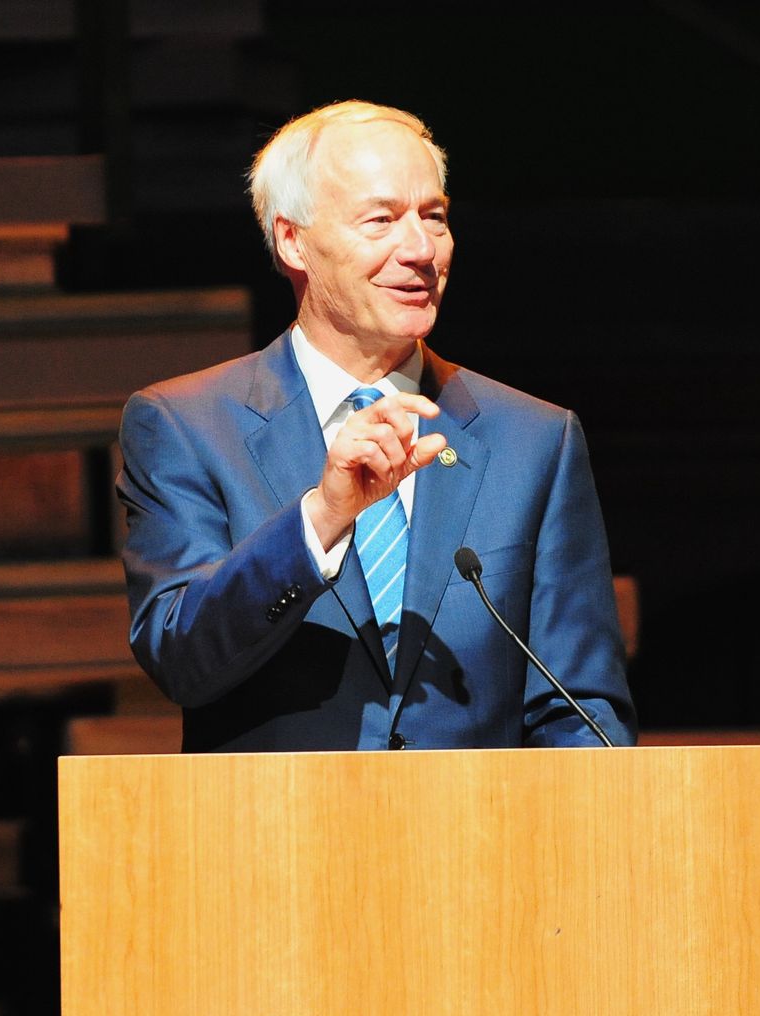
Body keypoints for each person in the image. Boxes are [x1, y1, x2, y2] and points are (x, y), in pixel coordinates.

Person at [117, 100, 636, 751]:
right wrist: (320, 520)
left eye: (435, 217)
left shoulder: (534, 440)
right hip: (270, 841)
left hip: (481, 843)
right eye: (382, 220)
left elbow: (581, 713)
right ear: (292, 240)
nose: (420, 250)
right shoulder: (188, 426)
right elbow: (181, 659)